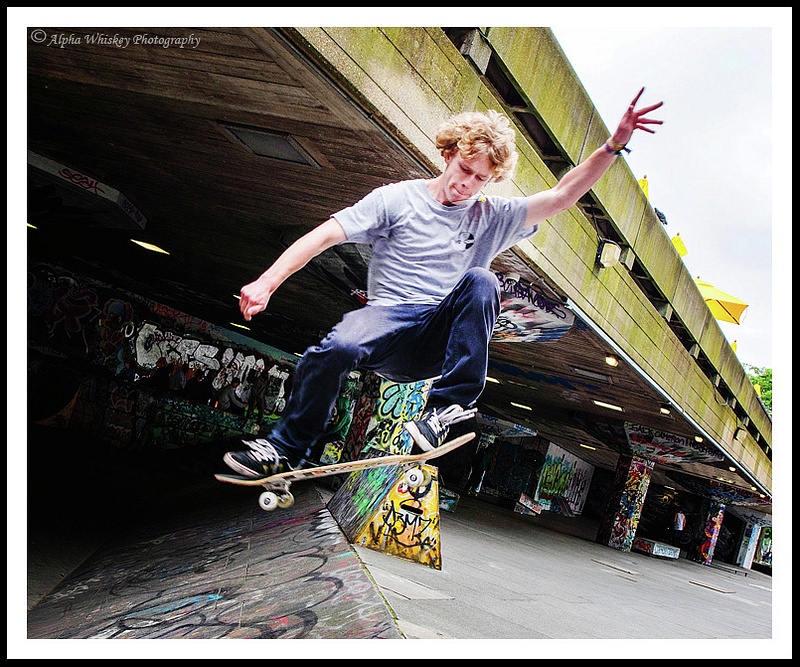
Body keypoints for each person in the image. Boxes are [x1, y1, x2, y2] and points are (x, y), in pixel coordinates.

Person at [224, 88, 663, 479]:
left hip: (439, 332)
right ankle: (285, 447)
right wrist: (267, 281)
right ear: (449, 153)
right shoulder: (396, 198)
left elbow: (562, 196)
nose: (467, 185)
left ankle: (448, 409)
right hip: (387, 321)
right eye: (464, 169)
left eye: (480, 179)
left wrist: (612, 145)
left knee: (482, 280)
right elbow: (325, 235)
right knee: (333, 350)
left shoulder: (492, 214)